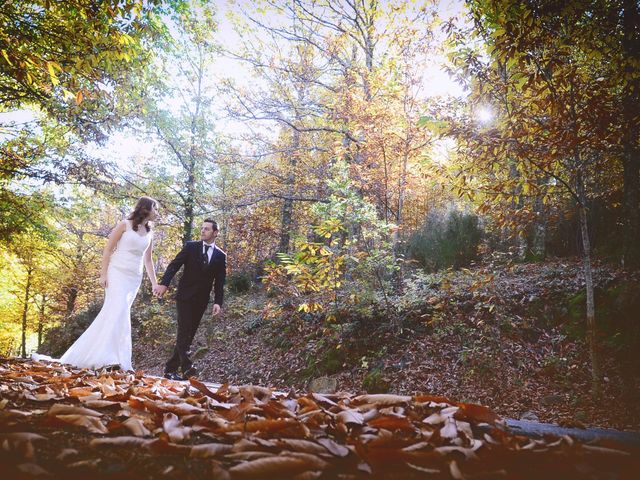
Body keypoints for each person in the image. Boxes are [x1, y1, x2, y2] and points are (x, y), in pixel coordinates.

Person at [33, 197, 160, 371]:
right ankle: (111, 358)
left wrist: (154, 283)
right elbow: (108, 249)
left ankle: (109, 356)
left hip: (134, 278)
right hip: (117, 272)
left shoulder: (150, 232)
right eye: (155, 209)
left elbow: (148, 261)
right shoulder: (125, 224)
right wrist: (103, 274)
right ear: (145, 209)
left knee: (117, 314)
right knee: (119, 309)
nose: (157, 213)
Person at [153, 218, 226, 380]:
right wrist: (164, 284)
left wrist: (218, 302)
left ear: (215, 233)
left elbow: (220, 282)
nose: (202, 231)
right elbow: (174, 265)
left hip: (201, 301)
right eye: (202, 228)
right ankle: (188, 368)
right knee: (184, 330)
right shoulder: (191, 247)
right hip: (184, 297)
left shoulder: (221, 256)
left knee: (189, 335)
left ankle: (170, 370)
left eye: (207, 229)